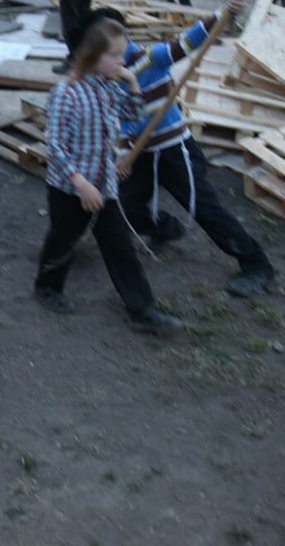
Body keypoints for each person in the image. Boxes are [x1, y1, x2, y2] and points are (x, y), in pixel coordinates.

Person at [87, 0, 278, 298]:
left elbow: (187, 42)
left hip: (176, 152)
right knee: (123, 206)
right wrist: (123, 158)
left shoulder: (151, 59)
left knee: (204, 208)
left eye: (110, 49)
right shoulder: (107, 74)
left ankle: (257, 264)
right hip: (142, 155)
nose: (103, 57)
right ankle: (165, 228)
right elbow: (123, 122)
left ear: (121, 39)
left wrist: (222, 12)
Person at [34, 18, 183, 334]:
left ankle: (142, 310)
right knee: (63, 240)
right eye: (115, 55)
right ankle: (47, 287)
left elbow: (133, 116)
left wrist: (132, 84)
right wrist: (80, 183)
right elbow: (56, 145)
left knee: (119, 246)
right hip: (71, 188)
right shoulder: (66, 93)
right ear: (93, 55)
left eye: (122, 54)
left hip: (104, 185)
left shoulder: (108, 87)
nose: (122, 61)